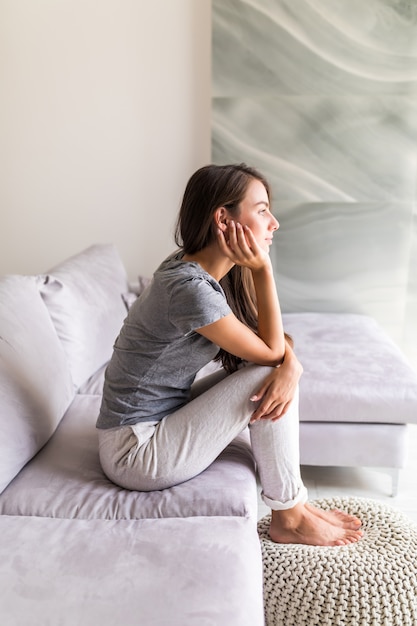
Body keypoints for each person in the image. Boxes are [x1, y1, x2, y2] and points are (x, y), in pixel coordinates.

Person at [96, 163, 363, 546]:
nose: (274, 223)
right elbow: (272, 355)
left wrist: (291, 365)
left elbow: (270, 345)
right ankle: (289, 515)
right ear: (224, 218)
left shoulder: (196, 269)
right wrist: (263, 271)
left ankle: (295, 507)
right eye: (262, 209)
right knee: (268, 375)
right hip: (134, 453)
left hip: (149, 427)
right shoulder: (189, 289)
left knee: (273, 371)